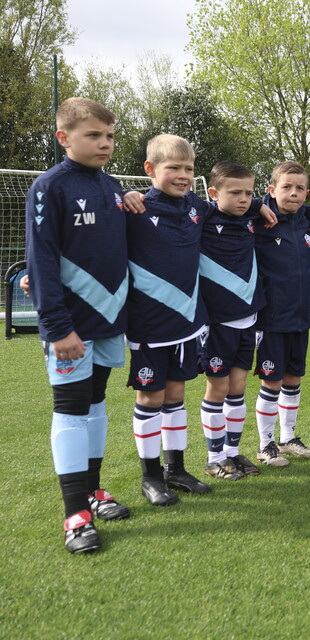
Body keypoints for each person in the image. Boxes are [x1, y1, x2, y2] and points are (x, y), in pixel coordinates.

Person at [26, 97, 131, 553]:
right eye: (94, 135)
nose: (104, 143)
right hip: (70, 328)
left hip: (109, 322)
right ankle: (75, 517)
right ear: (63, 137)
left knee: (95, 405)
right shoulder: (50, 187)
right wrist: (56, 326)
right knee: (70, 410)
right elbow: (42, 259)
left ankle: (92, 490)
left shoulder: (113, 187)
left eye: (109, 136)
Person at [123, 135, 220, 505]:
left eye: (189, 169)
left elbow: (230, 201)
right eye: (174, 168)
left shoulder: (196, 206)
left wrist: (264, 206)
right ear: (150, 170)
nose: (183, 175)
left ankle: (175, 469)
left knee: (176, 394)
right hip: (148, 323)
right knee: (150, 395)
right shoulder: (133, 208)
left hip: (187, 322)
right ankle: (150, 477)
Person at [197, 162, 268, 479]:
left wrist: (259, 205)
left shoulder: (252, 216)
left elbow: (280, 202)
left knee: (238, 387)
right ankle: (215, 458)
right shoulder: (203, 217)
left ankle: (233, 453)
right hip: (216, 321)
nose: (243, 199)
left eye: (248, 193)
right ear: (213, 193)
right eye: (235, 193)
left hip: (248, 318)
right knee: (217, 387)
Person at [252, 161, 310, 463]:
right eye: (286, 187)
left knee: (294, 378)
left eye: (300, 188)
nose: (293, 193)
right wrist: (257, 204)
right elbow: (224, 203)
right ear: (271, 190)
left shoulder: (308, 222)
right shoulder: (258, 219)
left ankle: (288, 437)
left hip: (300, 315)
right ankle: (265, 444)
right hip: (271, 317)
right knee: (272, 380)